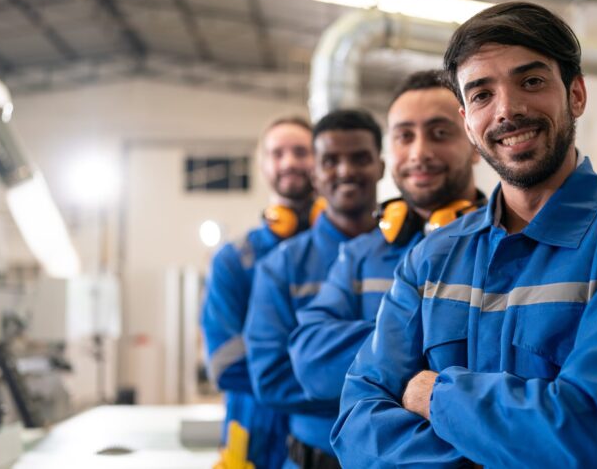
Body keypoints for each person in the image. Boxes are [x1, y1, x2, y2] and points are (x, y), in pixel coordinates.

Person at [332, 1, 597, 469]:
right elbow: (356, 428)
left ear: (575, 95)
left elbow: (594, 439)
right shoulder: (431, 259)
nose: (508, 110)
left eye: (531, 81)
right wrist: (520, 444)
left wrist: (435, 396)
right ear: (467, 122)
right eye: (482, 94)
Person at [288, 70, 484, 405]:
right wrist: (441, 349)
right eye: (404, 136)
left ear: (474, 141)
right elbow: (312, 362)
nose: (419, 152)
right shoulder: (359, 255)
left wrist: (377, 365)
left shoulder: (511, 245)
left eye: (439, 133)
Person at [245, 109, 385, 469]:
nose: (345, 171)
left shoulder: (416, 257)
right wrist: (391, 384)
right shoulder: (281, 266)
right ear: (315, 174)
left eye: (359, 158)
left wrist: (323, 370)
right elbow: (271, 379)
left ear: (381, 168)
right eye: (331, 161)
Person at [201, 116, 316, 469]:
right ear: (263, 165)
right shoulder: (234, 261)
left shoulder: (348, 251)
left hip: (323, 441)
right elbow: (225, 362)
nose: (289, 162)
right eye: (277, 153)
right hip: (253, 437)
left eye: (301, 151)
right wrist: (325, 384)